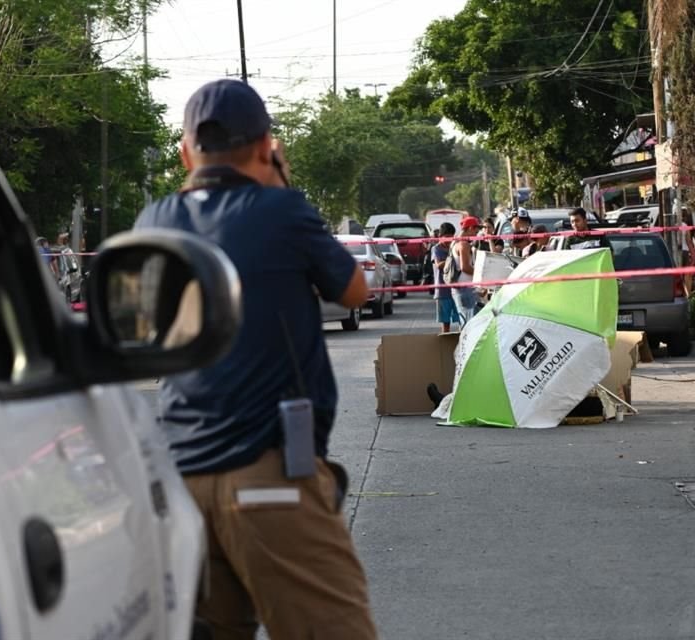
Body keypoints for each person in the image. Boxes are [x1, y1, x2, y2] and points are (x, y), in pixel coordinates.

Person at [133, 79, 376, 640]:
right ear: (268, 144)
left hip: (181, 480)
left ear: (185, 150)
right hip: (269, 476)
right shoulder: (282, 210)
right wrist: (280, 183)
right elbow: (356, 292)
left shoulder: (154, 222)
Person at [449, 216, 483, 326]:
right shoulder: (464, 244)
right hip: (466, 289)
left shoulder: (454, 243)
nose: (476, 234)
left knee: (465, 322)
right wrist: (481, 275)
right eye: (476, 230)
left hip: (460, 288)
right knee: (471, 323)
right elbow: (465, 267)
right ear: (470, 228)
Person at [431, 222, 460, 332]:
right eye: (446, 237)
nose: (449, 240)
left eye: (451, 237)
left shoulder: (454, 247)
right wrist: (451, 259)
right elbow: (439, 265)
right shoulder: (436, 249)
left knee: (460, 321)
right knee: (445, 323)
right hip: (442, 291)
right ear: (440, 237)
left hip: (456, 289)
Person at [679, 209, 695, 296]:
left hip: (674, 252)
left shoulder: (669, 224)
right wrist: (693, 255)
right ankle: (688, 295)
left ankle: (682, 294)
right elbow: (689, 242)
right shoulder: (685, 226)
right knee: (687, 275)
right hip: (684, 252)